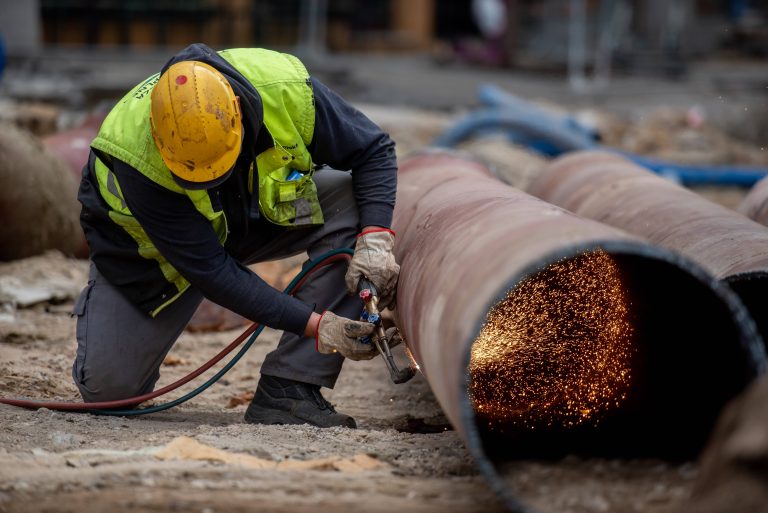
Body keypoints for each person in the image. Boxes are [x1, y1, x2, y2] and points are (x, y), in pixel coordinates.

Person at [72, 43, 399, 429]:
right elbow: (214, 273)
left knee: (354, 203)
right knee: (112, 393)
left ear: (238, 119)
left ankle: (289, 387)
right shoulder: (137, 155)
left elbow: (374, 150)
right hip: (152, 258)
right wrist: (319, 326)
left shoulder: (285, 87)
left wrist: (376, 240)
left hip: (249, 214)